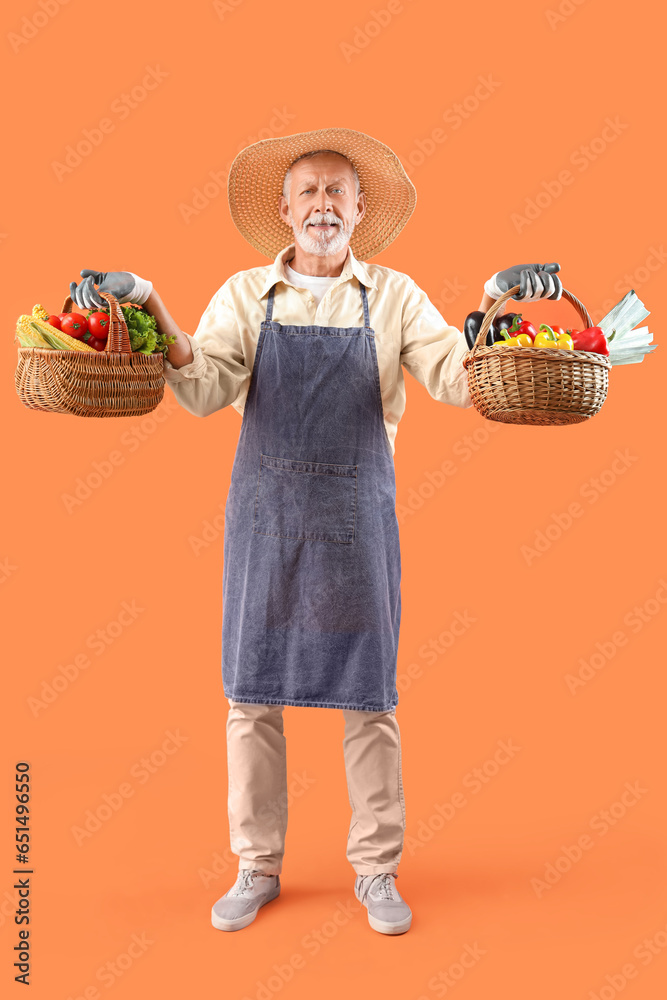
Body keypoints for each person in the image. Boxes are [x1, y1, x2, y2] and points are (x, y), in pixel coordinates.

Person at [70, 127, 562, 936]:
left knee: (368, 699)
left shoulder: (396, 296)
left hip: (354, 520)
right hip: (265, 522)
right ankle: (256, 866)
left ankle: (375, 871)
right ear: (285, 209)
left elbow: (453, 377)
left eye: (338, 191)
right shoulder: (242, 296)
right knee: (250, 698)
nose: (324, 205)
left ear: (360, 209)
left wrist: (496, 299)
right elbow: (201, 389)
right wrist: (149, 298)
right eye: (309, 191)